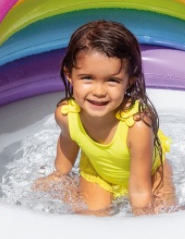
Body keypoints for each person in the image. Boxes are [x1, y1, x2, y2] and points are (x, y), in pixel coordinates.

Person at [34, 20, 176, 215]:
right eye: (87, 78)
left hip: (149, 175)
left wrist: (141, 217)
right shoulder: (66, 115)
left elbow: (140, 190)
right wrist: (60, 174)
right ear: (69, 75)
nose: (99, 91)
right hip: (98, 173)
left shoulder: (137, 126)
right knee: (91, 219)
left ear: (129, 81)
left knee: (161, 214)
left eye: (112, 80)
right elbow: (68, 141)